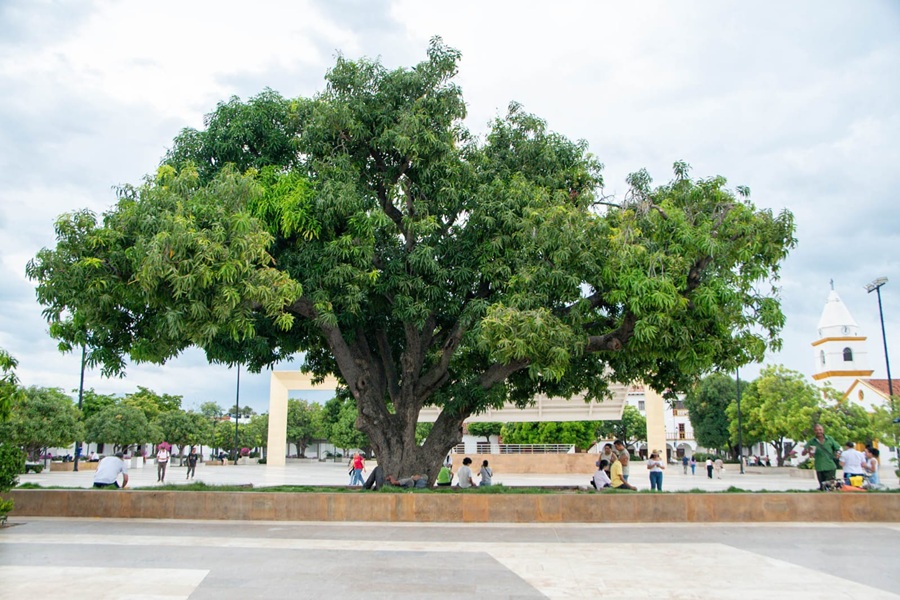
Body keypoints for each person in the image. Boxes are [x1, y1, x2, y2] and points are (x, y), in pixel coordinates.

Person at [802, 423, 842, 490]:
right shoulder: (812, 441)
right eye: (816, 430)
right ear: (814, 431)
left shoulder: (829, 439)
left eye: (820, 430)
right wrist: (807, 451)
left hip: (830, 466)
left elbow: (838, 449)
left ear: (823, 430)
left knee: (830, 486)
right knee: (822, 486)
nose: (818, 431)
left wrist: (838, 453)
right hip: (819, 466)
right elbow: (803, 453)